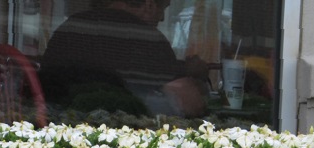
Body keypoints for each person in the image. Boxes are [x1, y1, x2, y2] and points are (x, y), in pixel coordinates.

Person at [39, 0, 207, 117]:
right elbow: (190, 102)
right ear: (149, 4)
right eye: (164, 8)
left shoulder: (73, 27)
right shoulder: (147, 38)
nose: (162, 18)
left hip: (57, 125)